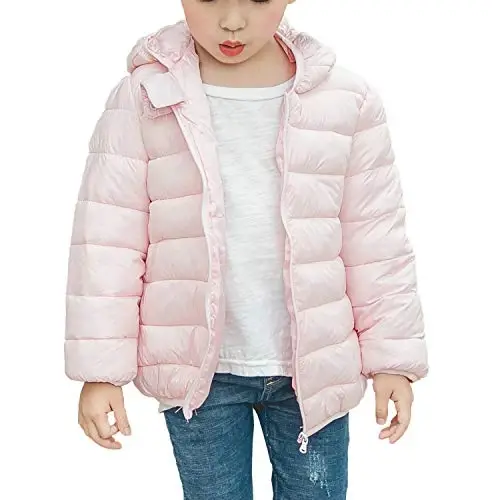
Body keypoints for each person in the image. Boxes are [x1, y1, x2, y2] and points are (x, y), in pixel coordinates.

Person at [64, 1, 429, 498]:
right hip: (199, 374)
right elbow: (107, 240)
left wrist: (391, 359)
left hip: (313, 369)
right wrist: (101, 373)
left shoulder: (346, 100)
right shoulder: (145, 97)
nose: (232, 21)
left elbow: (376, 239)